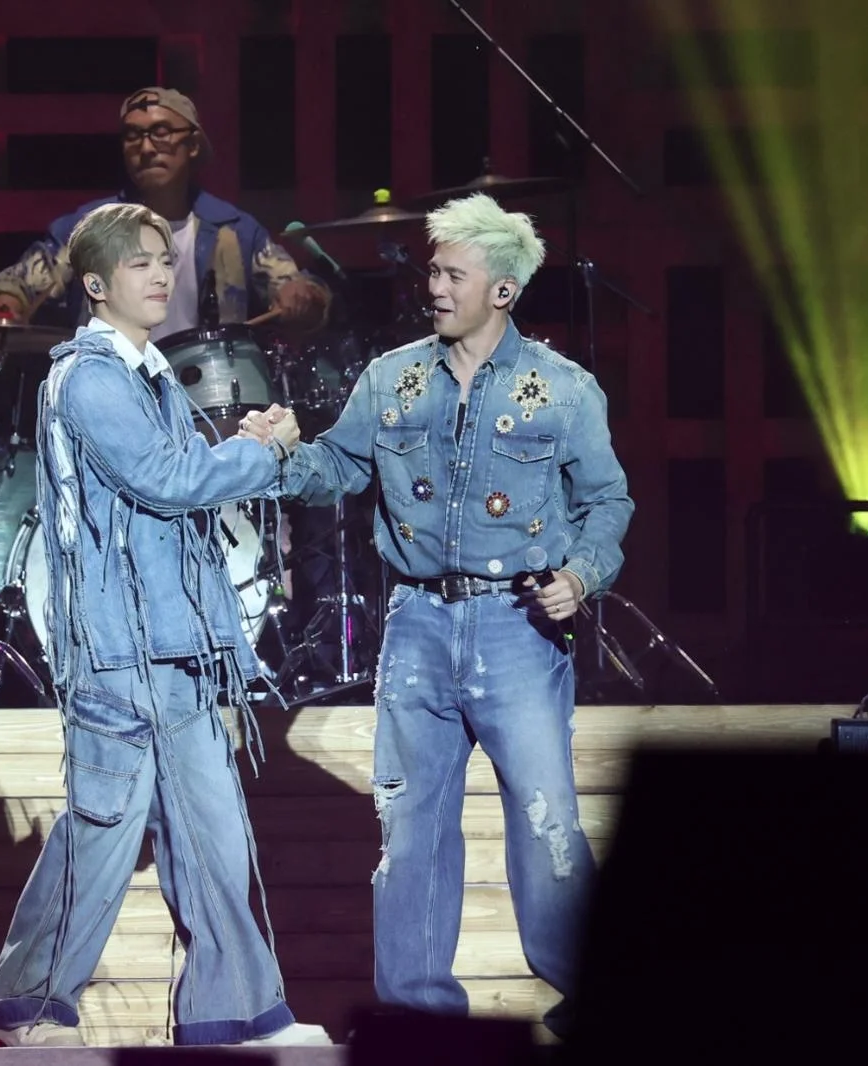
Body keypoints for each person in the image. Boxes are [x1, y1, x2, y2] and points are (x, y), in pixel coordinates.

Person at [246, 193, 634, 1036]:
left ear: (503, 290)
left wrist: (581, 575)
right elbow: (338, 469)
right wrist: (285, 453)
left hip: (518, 626)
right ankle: (416, 1018)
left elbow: (608, 501)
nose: (434, 287)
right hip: (417, 624)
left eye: (454, 274)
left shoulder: (564, 390)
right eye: (433, 271)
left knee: (545, 820)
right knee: (410, 825)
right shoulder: (392, 377)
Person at [0, 201, 328, 1049]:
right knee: (100, 835)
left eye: (164, 259)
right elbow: (167, 481)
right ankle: (23, 1008)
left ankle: (235, 1014)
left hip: (177, 644)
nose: (162, 273)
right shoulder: (90, 377)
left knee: (213, 834)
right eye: (140, 262)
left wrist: (243, 444)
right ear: (97, 285)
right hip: (118, 651)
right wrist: (261, 452)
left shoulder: (148, 371)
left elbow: (179, 477)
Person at [0, 86, 329, 335]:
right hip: (107, 390)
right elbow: (13, 285)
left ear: (192, 145)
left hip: (207, 393)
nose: (147, 147)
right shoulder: (89, 228)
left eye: (160, 132)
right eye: (133, 136)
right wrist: (7, 305)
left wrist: (302, 296)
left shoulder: (235, 230)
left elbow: (302, 292)